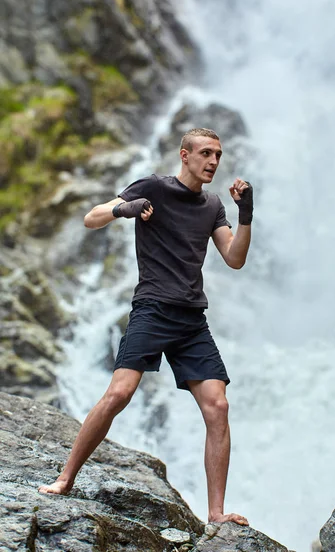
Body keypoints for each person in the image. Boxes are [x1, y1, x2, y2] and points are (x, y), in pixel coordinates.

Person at [39, 127, 253, 526]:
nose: (213, 162)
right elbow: (91, 218)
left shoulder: (212, 206)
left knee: (219, 406)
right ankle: (65, 479)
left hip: (191, 319)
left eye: (218, 155)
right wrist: (126, 208)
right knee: (120, 392)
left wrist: (246, 215)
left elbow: (234, 258)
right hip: (152, 310)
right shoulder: (152, 186)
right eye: (206, 153)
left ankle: (216, 513)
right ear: (184, 155)